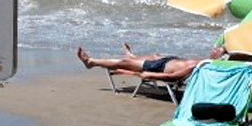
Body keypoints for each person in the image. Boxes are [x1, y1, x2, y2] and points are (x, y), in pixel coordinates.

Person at [76, 42, 224, 81]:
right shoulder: (207, 62)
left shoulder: (198, 66)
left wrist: (151, 75)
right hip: (168, 61)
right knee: (154, 54)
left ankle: (91, 62)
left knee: (123, 62)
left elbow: (173, 77)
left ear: (219, 58)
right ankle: (133, 57)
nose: (216, 49)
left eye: (219, 51)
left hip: (159, 68)